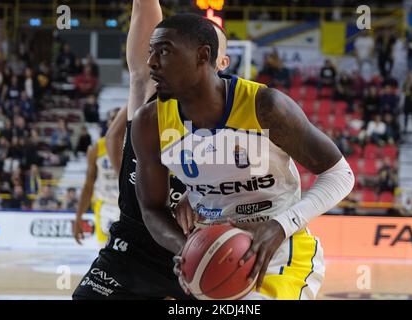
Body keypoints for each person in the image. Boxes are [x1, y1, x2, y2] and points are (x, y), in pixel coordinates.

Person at [132, 14, 354, 300]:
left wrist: (280, 226)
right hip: (211, 253)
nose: (151, 62)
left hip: (279, 249)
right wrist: (185, 247)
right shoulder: (150, 122)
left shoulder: (266, 106)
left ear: (202, 56)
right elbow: (151, 208)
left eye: (163, 51)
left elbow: (340, 175)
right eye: (151, 52)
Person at [72, 0, 230, 300]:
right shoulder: (152, 100)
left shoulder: (243, 117)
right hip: (130, 250)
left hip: (197, 257)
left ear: (218, 61)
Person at [73, 109, 120, 247]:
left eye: (119, 118)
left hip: (130, 208)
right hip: (106, 206)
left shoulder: (137, 144)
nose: (116, 121)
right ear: (108, 123)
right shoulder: (96, 149)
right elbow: (88, 186)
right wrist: (78, 217)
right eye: (113, 118)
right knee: (106, 255)